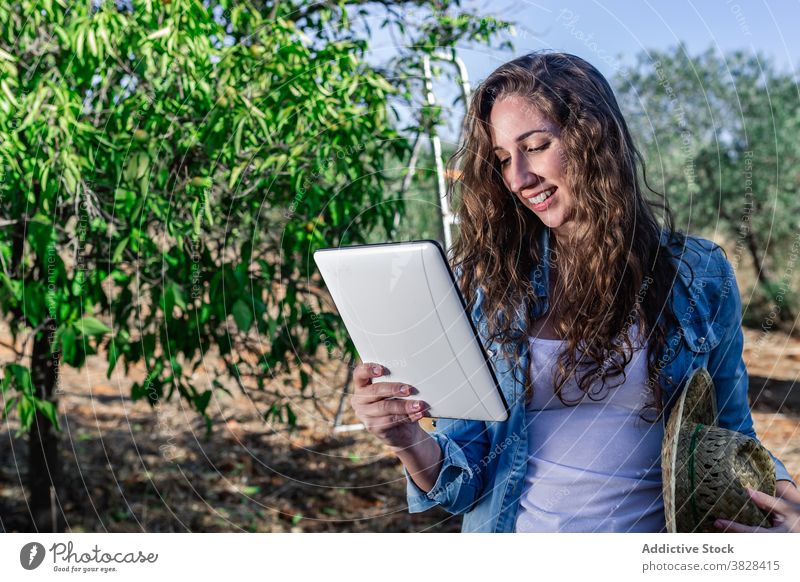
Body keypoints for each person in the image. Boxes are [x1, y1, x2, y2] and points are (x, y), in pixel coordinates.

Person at [350, 51, 799, 532]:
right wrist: (404, 439)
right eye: (503, 160)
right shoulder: (492, 287)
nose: (519, 179)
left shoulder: (699, 274)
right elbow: (465, 479)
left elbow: (729, 432)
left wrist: (791, 509)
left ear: (595, 136)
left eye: (537, 146)